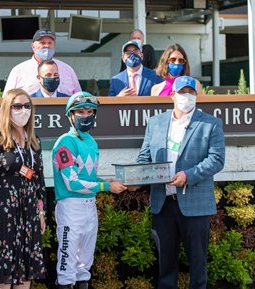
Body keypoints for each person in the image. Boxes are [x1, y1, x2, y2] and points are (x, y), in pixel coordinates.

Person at [136, 76, 225, 289]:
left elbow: (217, 160)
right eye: (182, 92)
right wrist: (136, 177)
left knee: (198, 264)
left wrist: (188, 175)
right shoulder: (156, 122)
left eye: (191, 92)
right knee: (165, 266)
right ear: (172, 95)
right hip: (163, 203)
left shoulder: (211, 124)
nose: (186, 96)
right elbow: (144, 157)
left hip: (195, 206)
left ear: (196, 95)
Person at [52, 92, 126, 289]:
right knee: (67, 264)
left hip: (89, 207)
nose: (85, 115)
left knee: (84, 264)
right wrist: (106, 186)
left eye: (89, 112)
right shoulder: (65, 142)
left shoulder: (91, 142)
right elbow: (73, 183)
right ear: (70, 115)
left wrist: (105, 181)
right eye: (80, 112)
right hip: (70, 207)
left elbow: (89, 179)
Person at [0, 88, 46, 288]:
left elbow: (38, 180)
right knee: (4, 272)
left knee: (25, 272)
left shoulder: (34, 140)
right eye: (17, 106)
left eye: (27, 106)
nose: (23, 110)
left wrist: (41, 212)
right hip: (4, 211)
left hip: (29, 211)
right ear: (7, 109)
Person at [4, 28, 81, 96]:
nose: (47, 46)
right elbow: (7, 100)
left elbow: (78, 97)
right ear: (33, 46)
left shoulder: (67, 69)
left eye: (50, 43)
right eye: (42, 43)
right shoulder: (19, 71)